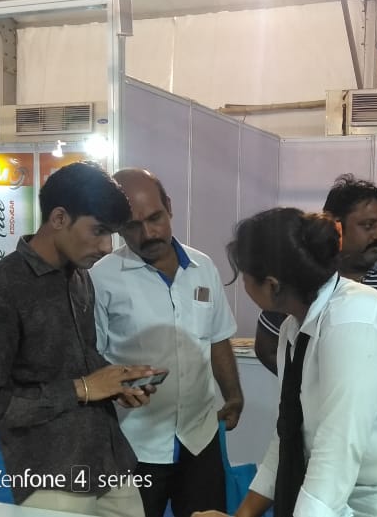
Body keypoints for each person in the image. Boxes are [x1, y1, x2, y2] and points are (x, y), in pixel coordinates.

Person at [196, 207, 377, 517]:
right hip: (366, 492)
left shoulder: (356, 323)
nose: (243, 285)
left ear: (272, 285)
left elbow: (336, 450)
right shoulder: (294, 327)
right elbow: (290, 432)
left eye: (245, 277)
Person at [0, 162, 157, 517]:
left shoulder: (79, 277)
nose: (106, 247)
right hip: (50, 476)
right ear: (59, 218)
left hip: (110, 463)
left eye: (112, 234)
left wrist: (116, 383)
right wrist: (81, 389)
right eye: (98, 231)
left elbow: (78, 359)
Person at [91, 168, 243, 517]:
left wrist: (234, 395)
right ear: (118, 226)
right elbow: (90, 355)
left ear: (169, 207)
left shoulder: (203, 267)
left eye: (155, 218)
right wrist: (115, 388)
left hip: (200, 438)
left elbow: (217, 337)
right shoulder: (101, 278)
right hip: (135, 445)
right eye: (132, 225)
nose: (148, 233)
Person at [254, 174, 377, 375]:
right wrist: (311, 386)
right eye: (368, 225)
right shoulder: (302, 278)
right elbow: (267, 348)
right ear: (335, 227)